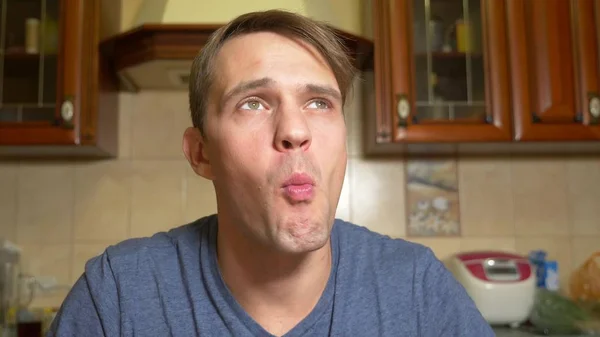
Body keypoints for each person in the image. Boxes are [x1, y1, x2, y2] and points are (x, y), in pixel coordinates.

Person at [48, 9, 494, 337]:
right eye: (253, 102)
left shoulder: (417, 290)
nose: (295, 130)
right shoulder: (117, 298)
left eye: (319, 102)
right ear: (201, 154)